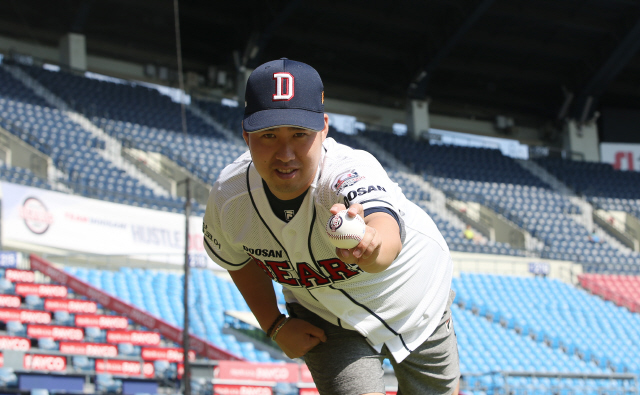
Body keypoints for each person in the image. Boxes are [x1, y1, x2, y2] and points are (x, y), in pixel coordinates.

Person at [203, 58, 459, 395]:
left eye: (300, 134)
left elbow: (384, 229)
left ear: (324, 128)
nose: (286, 153)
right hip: (324, 317)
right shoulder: (229, 197)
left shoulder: (348, 172)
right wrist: (274, 324)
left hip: (415, 299)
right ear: (246, 136)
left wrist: (371, 246)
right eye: (268, 135)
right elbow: (236, 258)